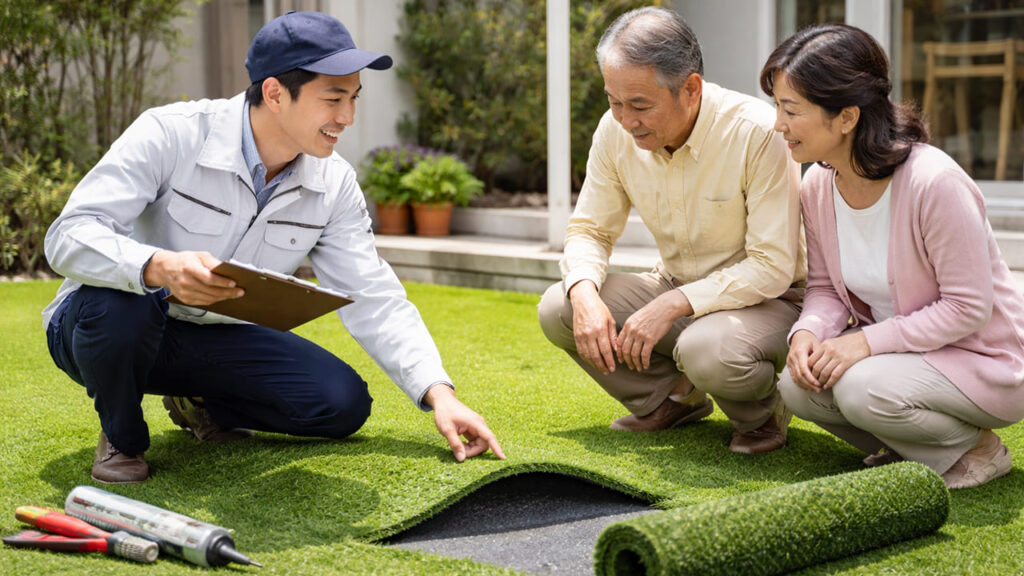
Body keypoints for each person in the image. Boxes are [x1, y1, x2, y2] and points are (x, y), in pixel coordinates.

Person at [43, 11, 504, 484]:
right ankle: (122, 436)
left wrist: (439, 393)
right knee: (120, 305)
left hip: (211, 337)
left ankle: (198, 401)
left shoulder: (334, 182)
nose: (346, 117)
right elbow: (68, 234)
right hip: (101, 327)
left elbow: (372, 293)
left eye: (353, 98)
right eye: (333, 99)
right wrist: (158, 266)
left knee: (340, 403)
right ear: (275, 93)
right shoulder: (171, 133)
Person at [762, 23, 1024, 488]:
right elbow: (825, 289)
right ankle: (911, 447)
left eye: (791, 110)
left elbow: (968, 308)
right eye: (778, 107)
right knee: (797, 387)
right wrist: (807, 333)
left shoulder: (934, 183)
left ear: (846, 117)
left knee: (862, 389)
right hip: (905, 358)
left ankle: (979, 450)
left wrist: (864, 342)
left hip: (984, 362)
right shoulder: (818, 185)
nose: (778, 124)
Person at [538, 7, 806, 454]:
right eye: (613, 101)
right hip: (676, 285)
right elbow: (589, 228)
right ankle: (671, 399)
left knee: (707, 348)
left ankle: (763, 412)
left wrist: (674, 303)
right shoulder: (614, 130)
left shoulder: (757, 132)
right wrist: (584, 294)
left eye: (639, 105)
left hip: (772, 300)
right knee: (559, 307)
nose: (625, 120)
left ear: (690, 89)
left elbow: (772, 267)